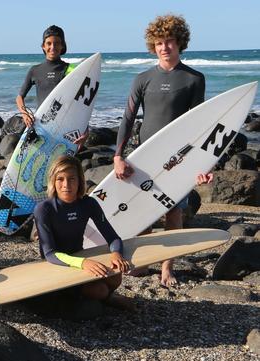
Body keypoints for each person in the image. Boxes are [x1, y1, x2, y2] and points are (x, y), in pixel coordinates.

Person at [113, 14, 212, 287]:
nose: (164, 47)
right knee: (144, 210)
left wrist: (203, 165)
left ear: (179, 43)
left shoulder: (194, 79)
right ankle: (144, 261)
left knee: (173, 212)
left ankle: (167, 267)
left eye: (169, 41)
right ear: (153, 46)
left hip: (178, 158)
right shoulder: (143, 79)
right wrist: (118, 156)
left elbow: (199, 126)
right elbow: (128, 118)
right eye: (159, 43)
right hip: (143, 153)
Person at [34, 155, 132, 305]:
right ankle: (95, 299)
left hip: (80, 256)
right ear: (53, 181)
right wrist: (83, 263)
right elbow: (49, 254)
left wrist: (116, 253)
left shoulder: (88, 204)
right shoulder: (44, 209)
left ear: (79, 181)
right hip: (58, 265)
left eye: (72, 179)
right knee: (100, 290)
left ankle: (100, 298)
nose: (66, 184)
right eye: (60, 179)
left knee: (116, 276)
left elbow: (113, 238)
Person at [16, 25, 85, 145]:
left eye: (57, 43)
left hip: (65, 126)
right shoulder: (35, 70)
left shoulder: (71, 70)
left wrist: (85, 130)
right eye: (49, 43)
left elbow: (81, 103)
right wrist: (24, 113)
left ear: (62, 46)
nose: (52, 47)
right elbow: (19, 97)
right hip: (41, 125)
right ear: (43, 46)